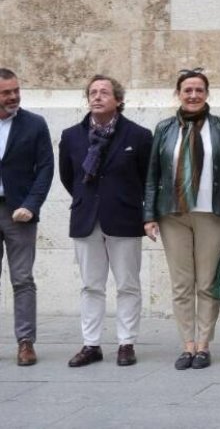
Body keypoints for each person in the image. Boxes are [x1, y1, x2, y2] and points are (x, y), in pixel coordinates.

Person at [143, 68, 220, 371]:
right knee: (181, 283)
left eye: (199, 90)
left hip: (212, 213)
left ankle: (203, 345)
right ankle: (186, 344)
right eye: (188, 90)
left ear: (207, 94)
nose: (193, 95)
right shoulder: (163, 128)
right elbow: (152, 175)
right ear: (178, 93)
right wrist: (148, 215)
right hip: (172, 214)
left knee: (207, 283)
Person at [59, 75, 152, 367]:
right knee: (91, 285)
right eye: (93, 92)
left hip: (124, 217)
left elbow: (146, 177)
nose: (97, 96)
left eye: (104, 92)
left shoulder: (138, 136)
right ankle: (91, 344)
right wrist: (86, 201)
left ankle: (126, 343)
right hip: (86, 218)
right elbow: (68, 176)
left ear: (118, 100)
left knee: (127, 284)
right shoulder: (72, 135)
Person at [0, 68, 53, 366]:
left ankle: (25, 342)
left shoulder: (34, 124)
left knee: (22, 279)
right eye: (6, 92)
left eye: (16, 90)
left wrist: (32, 205)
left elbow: (45, 168)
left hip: (19, 211)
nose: (13, 96)